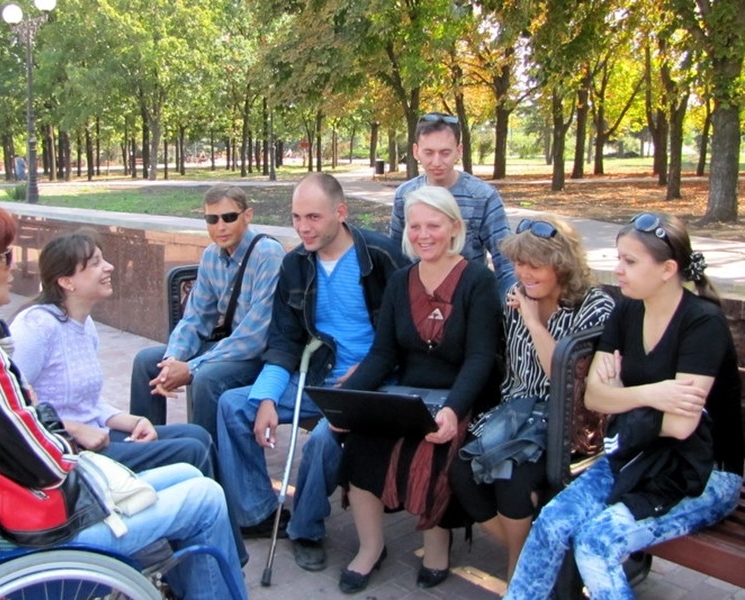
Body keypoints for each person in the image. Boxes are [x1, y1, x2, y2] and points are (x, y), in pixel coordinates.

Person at [0, 202, 246, 600]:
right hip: (38, 527)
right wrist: (60, 425)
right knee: (206, 496)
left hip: (2, 511)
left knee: (189, 473)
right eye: (3, 257)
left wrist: (56, 417)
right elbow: (49, 464)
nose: (12, 266)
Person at [505, 213, 743, 599]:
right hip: (635, 456)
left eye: (629, 262)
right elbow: (594, 398)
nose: (617, 270)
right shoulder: (628, 310)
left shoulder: (703, 324)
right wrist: (652, 394)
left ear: (668, 269)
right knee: (551, 521)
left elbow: (680, 427)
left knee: (596, 542)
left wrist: (620, 396)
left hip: (701, 474)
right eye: (618, 258)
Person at [11, 228, 248, 565]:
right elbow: (12, 402)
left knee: (197, 435)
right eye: (95, 263)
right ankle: (214, 560)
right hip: (72, 454)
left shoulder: (83, 324)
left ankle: (214, 550)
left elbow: (91, 404)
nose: (109, 267)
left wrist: (135, 419)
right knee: (191, 449)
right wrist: (76, 429)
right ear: (67, 282)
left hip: (100, 436)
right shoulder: (37, 327)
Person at [216, 173, 409, 572]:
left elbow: (405, 334)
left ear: (340, 213)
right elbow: (284, 339)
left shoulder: (383, 256)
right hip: (315, 375)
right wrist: (267, 396)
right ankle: (258, 512)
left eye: (314, 217)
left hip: (371, 383)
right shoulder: (295, 264)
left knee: (322, 440)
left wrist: (371, 367)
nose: (303, 227)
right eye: (296, 217)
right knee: (235, 406)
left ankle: (306, 529)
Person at [336, 186, 502, 593]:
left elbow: (480, 358)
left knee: (437, 447)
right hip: (409, 394)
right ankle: (371, 548)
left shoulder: (477, 281)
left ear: (454, 228)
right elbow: (381, 354)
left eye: (433, 225)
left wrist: (453, 408)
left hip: (463, 396)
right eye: (415, 226)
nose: (423, 234)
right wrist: (346, 403)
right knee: (361, 443)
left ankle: (436, 543)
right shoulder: (399, 281)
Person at [449, 215, 614, 581]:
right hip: (516, 412)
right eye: (519, 264)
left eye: (534, 265)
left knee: (513, 481)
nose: (524, 273)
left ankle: (519, 576)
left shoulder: (595, 306)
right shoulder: (518, 298)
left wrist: (534, 321)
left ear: (562, 265)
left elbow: (564, 375)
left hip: (567, 421)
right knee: (462, 472)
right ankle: (531, 554)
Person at [130, 184, 284, 440]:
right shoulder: (211, 255)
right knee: (148, 362)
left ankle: (205, 462)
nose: (220, 226)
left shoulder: (268, 254)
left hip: (262, 356)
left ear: (248, 216)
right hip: (229, 350)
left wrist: (192, 367)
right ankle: (147, 452)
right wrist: (172, 360)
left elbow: (255, 337)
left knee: (206, 377)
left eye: (229, 217)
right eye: (212, 219)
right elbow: (196, 318)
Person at [389, 113, 515, 296]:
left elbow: (505, 261)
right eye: (429, 153)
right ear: (416, 151)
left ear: (459, 150)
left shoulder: (482, 196)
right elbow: (396, 254)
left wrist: (512, 303)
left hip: (468, 298)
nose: (437, 162)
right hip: (417, 298)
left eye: (445, 153)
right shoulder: (404, 195)